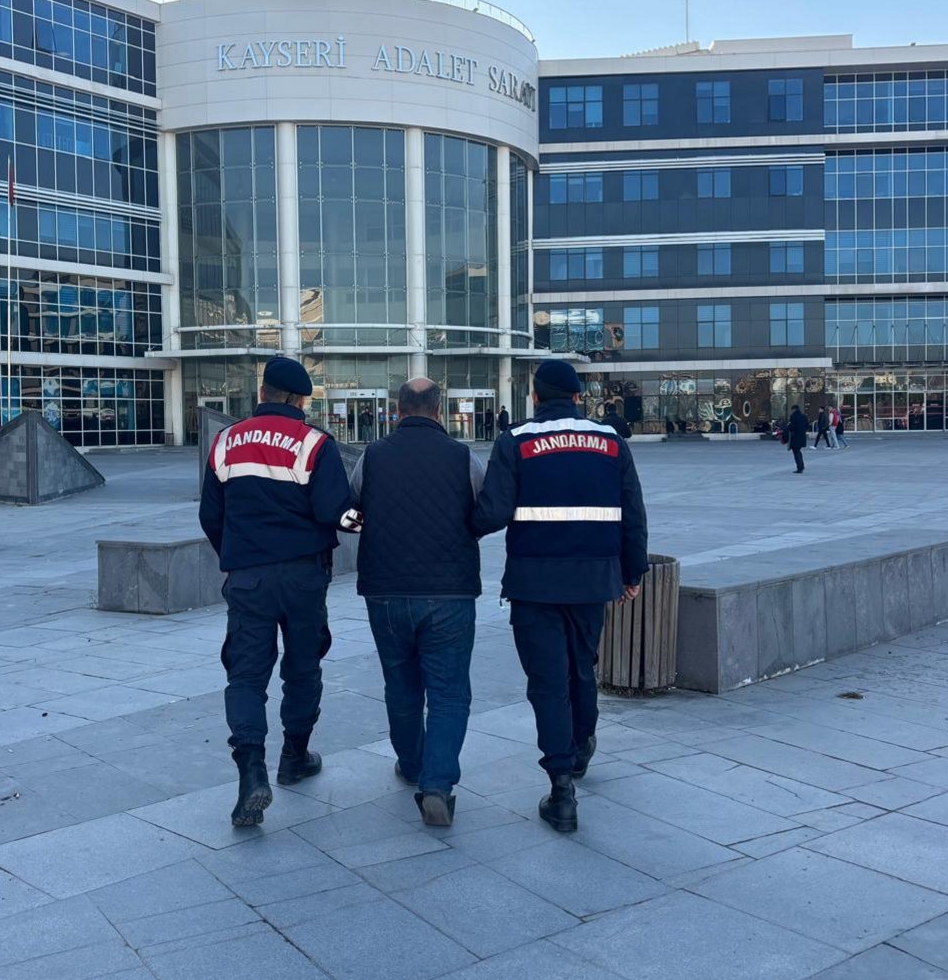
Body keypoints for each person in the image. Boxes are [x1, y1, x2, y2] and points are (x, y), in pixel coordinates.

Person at [473, 360, 649, 833]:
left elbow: (490, 513)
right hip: (593, 581)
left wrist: (449, 528)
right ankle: (582, 744)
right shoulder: (611, 442)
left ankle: (561, 788)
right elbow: (633, 513)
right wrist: (632, 572)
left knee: (547, 682)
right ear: (577, 397)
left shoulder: (516, 441)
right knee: (582, 667)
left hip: (535, 584)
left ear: (534, 397)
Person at [199, 356, 357, 827]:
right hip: (305, 577)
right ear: (300, 399)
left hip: (248, 576)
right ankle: (295, 756)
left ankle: (251, 771)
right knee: (303, 669)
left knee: (245, 675)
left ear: (263, 392)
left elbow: (211, 515)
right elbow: (337, 513)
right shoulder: (314, 444)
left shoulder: (226, 441)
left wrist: (238, 551)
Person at [349, 377, 485, 827]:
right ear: (439, 410)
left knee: (401, 685)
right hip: (450, 592)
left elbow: (350, 505)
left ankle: (411, 765)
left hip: (385, 591)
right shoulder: (465, 458)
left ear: (398, 410)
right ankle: (437, 786)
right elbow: (485, 509)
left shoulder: (371, 456)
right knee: (448, 692)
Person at [786, 405, 809, 473]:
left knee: (796, 452)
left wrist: (786, 430)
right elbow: (807, 426)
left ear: (794, 409)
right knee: (798, 451)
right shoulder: (804, 416)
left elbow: (791, 427)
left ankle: (800, 467)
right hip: (802, 436)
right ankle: (801, 465)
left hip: (795, 436)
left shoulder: (793, 417)